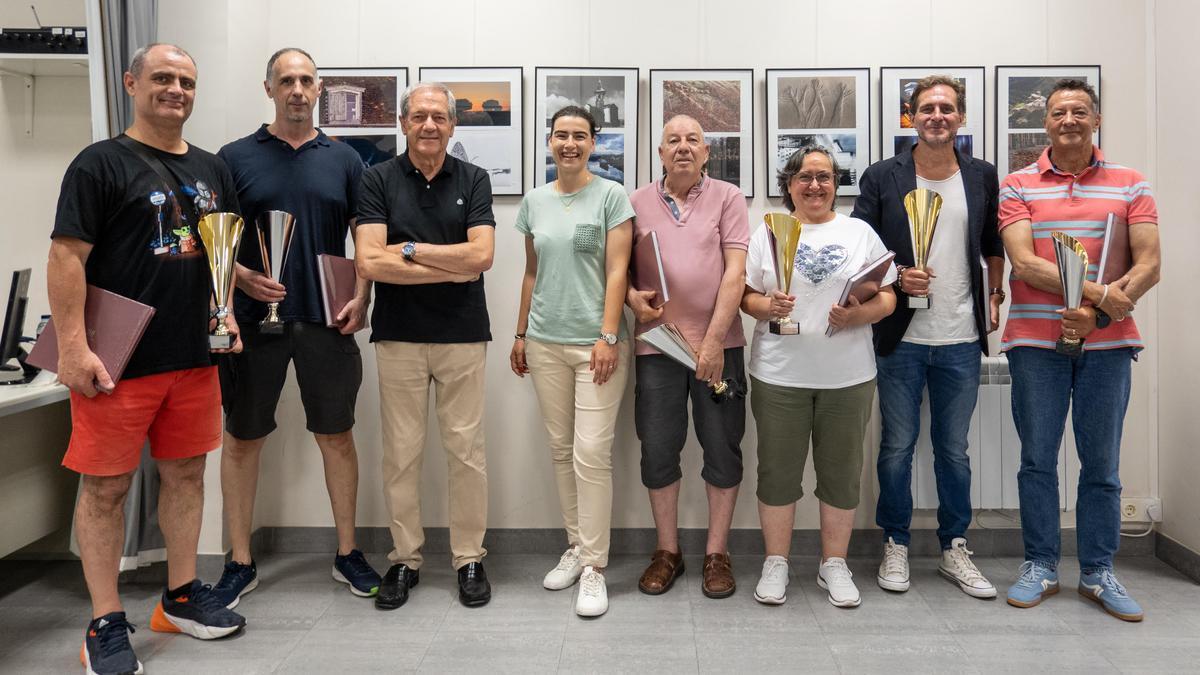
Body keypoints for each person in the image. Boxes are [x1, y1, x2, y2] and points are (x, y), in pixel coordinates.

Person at [46, 42, 246, 675]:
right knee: (106, 490)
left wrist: (228, 313)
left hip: (194, 358)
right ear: (132, 83)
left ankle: (180, 597)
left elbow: (219, 257)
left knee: (187, 477)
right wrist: (73, 347)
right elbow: (66, 257)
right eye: (162, 78)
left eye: (186, 80)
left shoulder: (215, 169)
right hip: (117, 363)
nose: (175, 90)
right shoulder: (99, 163)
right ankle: (105, 621)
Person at [212, 47, 379, 609]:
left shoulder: (346, 160)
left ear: (319, 88)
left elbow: (367, 242)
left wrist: (361, 297)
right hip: (252, 323)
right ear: (269, 89)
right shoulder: (233, 158)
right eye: (287, 80)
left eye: (307, 80)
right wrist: (239, 278)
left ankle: (348, 552)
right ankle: (239, 561)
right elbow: (215, 241)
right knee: (241, 440)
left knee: (336, 436)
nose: (298, 90)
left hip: (328, 321)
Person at [998, 79, 1160, 622]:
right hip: (1035, 345)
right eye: (1058, 112)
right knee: (1037, 461)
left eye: (1079, 111)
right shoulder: (1018, 185)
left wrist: (1100, 314)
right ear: (1045, 123)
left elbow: (1150, 264)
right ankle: (1040, 565)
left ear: (1096, 119)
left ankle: (1097, 571)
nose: (1068, 119)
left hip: (1110, 347)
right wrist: (1099, 296)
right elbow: (1024, 264)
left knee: (1102, 466)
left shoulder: (1131, 184)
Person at [850, 74, 1004, 598]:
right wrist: (895, 278)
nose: (937, 115)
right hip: (900, 337)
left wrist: (997, 294)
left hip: (961, 337)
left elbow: (992, 245)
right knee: (896, 447)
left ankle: (954, 548)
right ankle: (894, 543)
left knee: (953, 450)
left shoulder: (982, 176)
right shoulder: (882, 176)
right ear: (910, 116)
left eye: (947, 108)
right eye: (927, 108)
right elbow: (859, 250)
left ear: (960, 117)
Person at [355, 81, 496, 610]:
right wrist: (447, 264)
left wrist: (409, 251)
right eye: (420, 117)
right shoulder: (377, 179)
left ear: (453, 125)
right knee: (401, 456)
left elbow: (481, 259)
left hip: (463, 336)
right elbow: (370, 262)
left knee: (467, 453)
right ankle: (404, 559)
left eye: (440, 117)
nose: (430, 125)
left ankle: (469, 558)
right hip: (399, 337)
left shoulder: (475, 178)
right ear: (403, 121)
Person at [742, 147, 897, 608]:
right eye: (805, 177)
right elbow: (745, 296)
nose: (815, 185)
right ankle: (776, 562)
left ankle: (834, 564)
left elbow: (887, 299)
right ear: (789, 185)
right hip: (779, 374)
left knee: (841, 474)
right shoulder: (768, 231)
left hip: (847, 375)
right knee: (777, 472)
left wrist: (859, 315)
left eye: (824, 177)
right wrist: (766, 307)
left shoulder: (859, 232)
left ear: (836, 183)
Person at [509, 105, 635, 617]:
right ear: (549, 141)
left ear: (593, 143)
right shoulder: (534, 202)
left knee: (591, 453)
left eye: (579, 136)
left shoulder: (611, 196)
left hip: (596, 347)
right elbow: (531, 274)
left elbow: (617, 272)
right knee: (561, 450)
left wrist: (608, 336)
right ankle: (578, 545)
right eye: (561, 135)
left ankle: (594, 568)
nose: (569, 144)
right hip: (544, 342)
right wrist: (520, 334)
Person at [627, 114, 748, 599]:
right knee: (658, 449)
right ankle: (667, 552)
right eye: (672, 140)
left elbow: (735, 273)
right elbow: (618, 271)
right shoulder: (634, 202)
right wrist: (632, 300)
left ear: (706, 153)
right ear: (659, 153)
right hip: (656, 345)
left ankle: (717, 554)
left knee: (722, 449)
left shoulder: (729, 197)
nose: (682, 147)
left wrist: (715, 341)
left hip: (721, 347)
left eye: (692, 140)